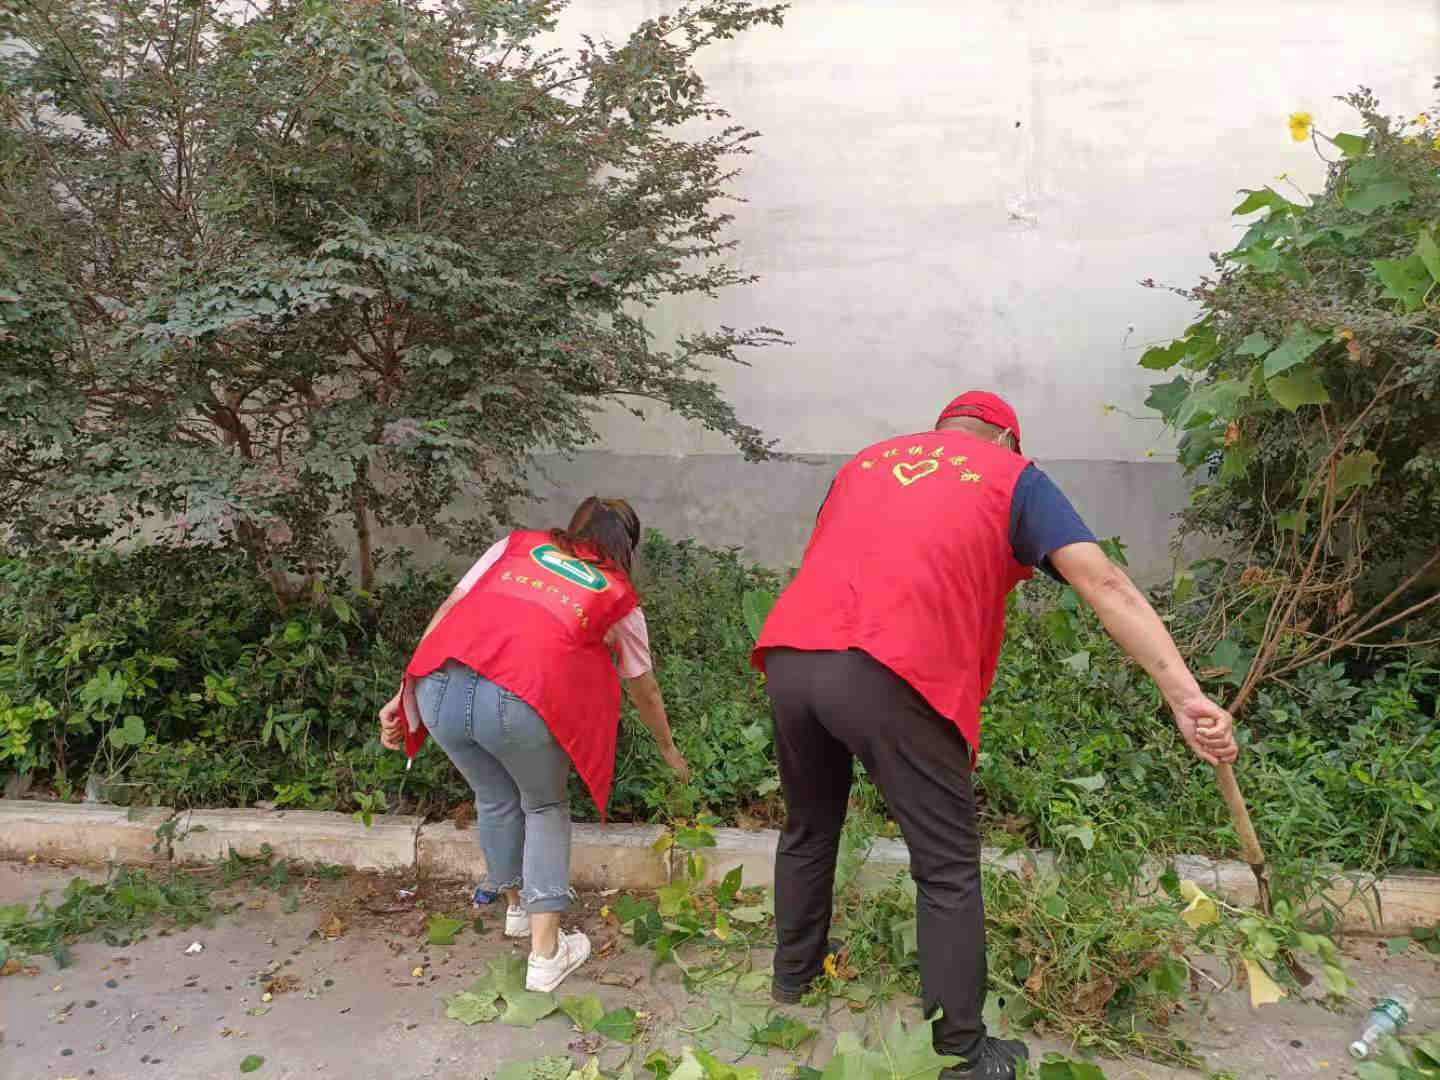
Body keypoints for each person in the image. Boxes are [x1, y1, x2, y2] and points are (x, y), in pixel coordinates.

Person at [750, 392, 1240, 1080]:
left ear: (941, 431)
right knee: (946, 867)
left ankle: (794, 980)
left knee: (808, 825)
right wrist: (1185, 695)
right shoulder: (1011, 475)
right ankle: (962, 1052)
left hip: (792, 654)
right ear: (1007, 439)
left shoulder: (864, 464)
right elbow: (1104, 581)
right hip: (894, 666)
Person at [379, 497, 689, 993]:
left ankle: (519, 911)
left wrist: (403, 691)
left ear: (573, 525)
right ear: (626, 547)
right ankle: (546, 955)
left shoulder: (514, 546)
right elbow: (643, 688)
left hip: (437, 687)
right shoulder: (618, 596)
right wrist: (670, 751)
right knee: (544, 806)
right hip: (518, 699)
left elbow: (448, 611)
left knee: (496, 798)